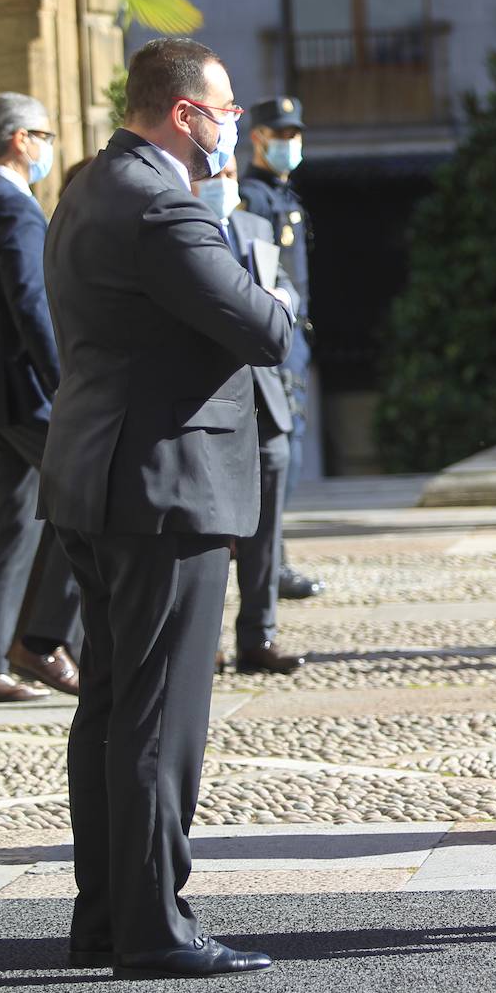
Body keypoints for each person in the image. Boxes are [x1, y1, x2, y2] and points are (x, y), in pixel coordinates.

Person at [40, 37, 292, 977]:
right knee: (157, 715)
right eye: (226, 111)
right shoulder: (163, 209)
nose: (235, 125)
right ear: (186, 114)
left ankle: (106, 915)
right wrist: (253, 266)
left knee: (109, 706)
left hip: (96, 477)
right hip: (162, 488)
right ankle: (153, 927)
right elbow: (264, 327)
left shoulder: (91, 185)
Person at [0, 92, 82, 705]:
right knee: (89, 495)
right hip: (28, 396)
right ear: (18, 139)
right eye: (44, 135)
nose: (49, 147)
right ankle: (43, 637)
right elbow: (31, 305)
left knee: (10, 529)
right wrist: (66, 383)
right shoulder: (11, 208)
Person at [193, 156, 308, 675]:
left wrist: (276, 301)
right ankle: (205, 640)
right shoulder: (185, 228)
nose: (224, 185)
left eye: (231, 175)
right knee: (211, 530)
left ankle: (258, 636)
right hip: (211, 396)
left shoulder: (255, 225)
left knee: (267, 529)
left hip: (266, 395)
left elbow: (287, 291)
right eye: (214, 176)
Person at [238, 95, 324, 599]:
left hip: (296, 339)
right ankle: (269, 562)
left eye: (295, 135)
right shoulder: (255, 196)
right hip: (279, 341)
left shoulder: (284, 196)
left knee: (286, 453)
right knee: (279, 454)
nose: (291, 143)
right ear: (259, 137)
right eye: (282, 135)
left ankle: (273, 559)